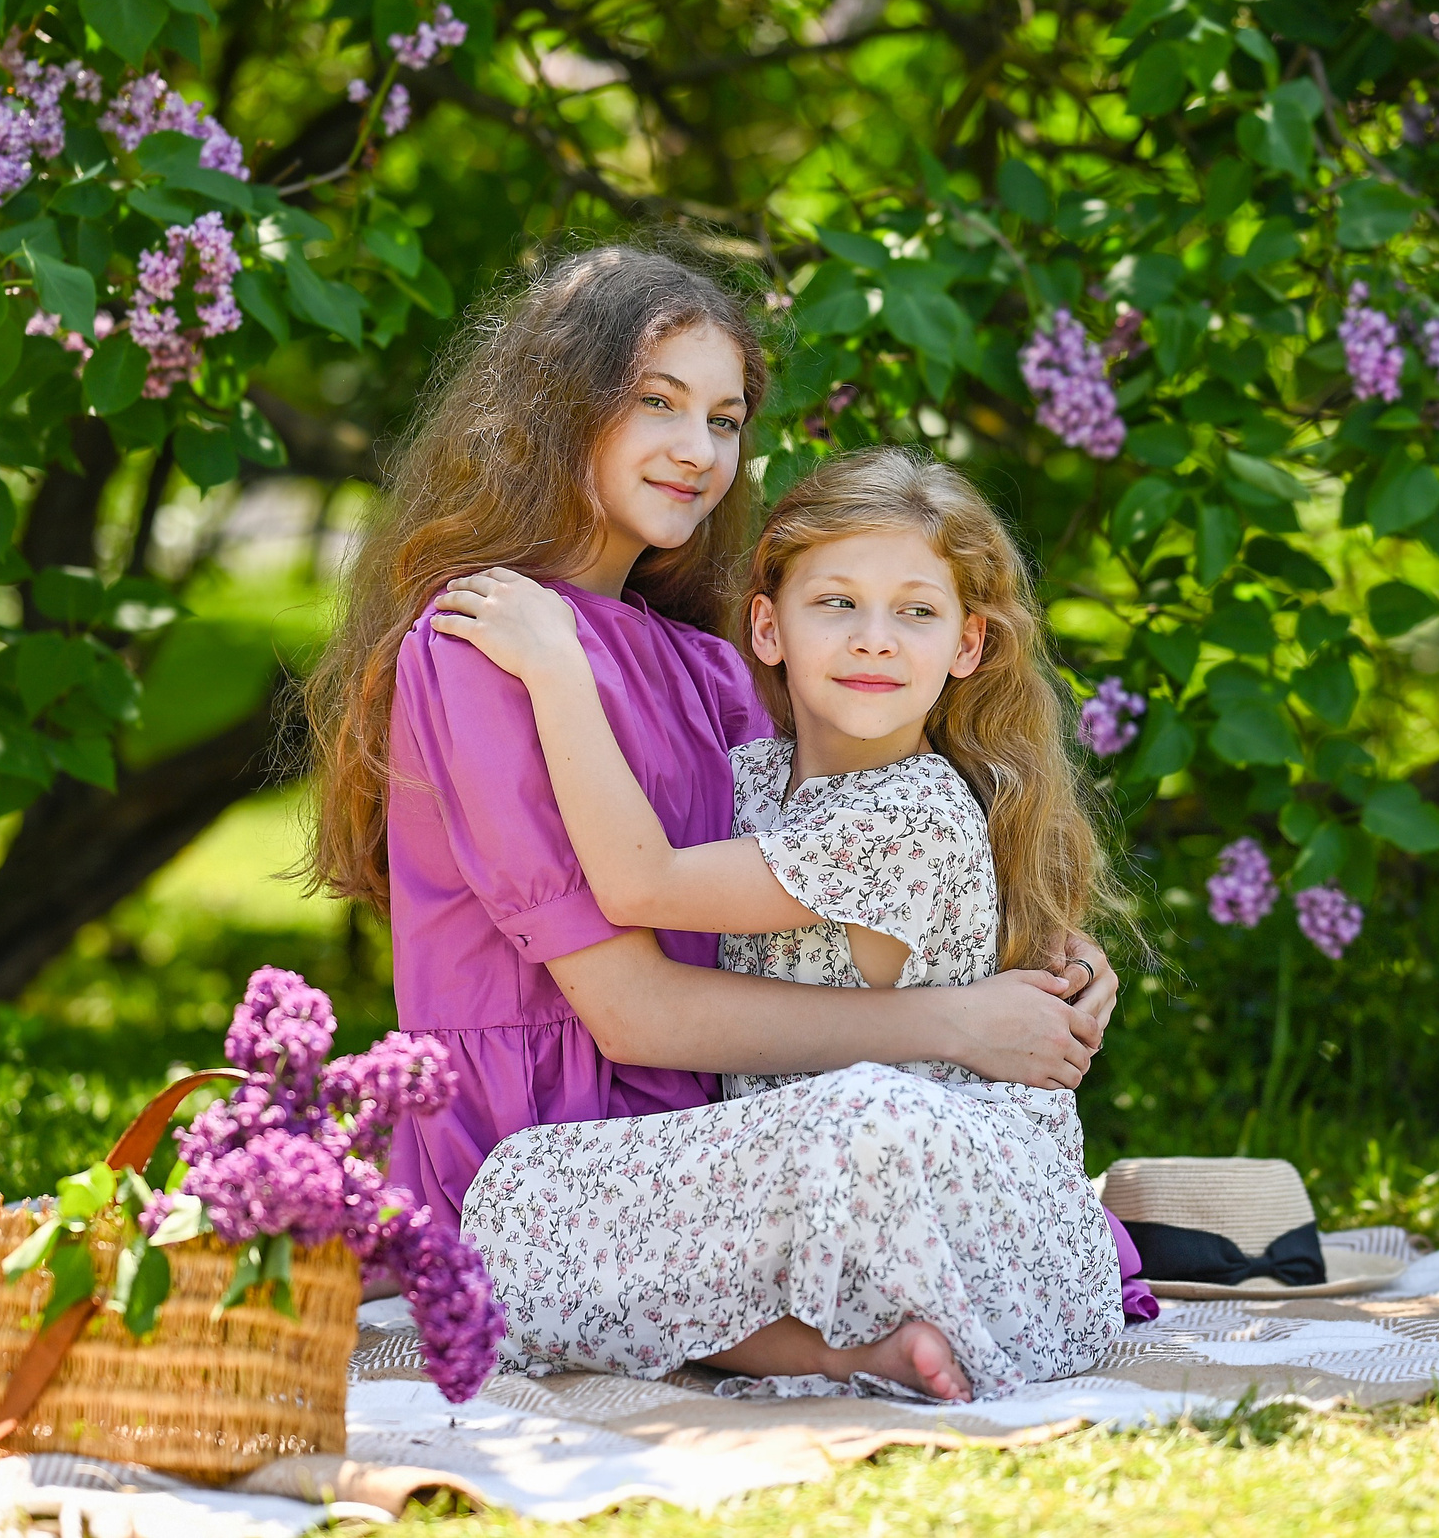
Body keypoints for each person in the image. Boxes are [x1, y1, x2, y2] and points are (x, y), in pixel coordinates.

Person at [302, 244, 1120, 1257]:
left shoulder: (708, 666)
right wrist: (958, 1021)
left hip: (718, 1092)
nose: (697, 447)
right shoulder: (488, 644)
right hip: (547, 1120)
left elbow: (843, 856)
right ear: (563, 403)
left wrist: (1036, 951)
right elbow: (631, 1011)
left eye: (724, 420)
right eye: (658, 401)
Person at [435, 447, 1128, 1399]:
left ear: (966, 647)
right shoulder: (757, 778)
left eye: (916, 612)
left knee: (859, 1108)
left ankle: (884, 1325)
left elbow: (643, 884)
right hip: (814, 1178)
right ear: (769, 626)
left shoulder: (915, 813)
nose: (874, 638)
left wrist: (559, 671)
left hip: (955, 1204)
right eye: (836, 603)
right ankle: (858, 1354)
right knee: (520, 1194)